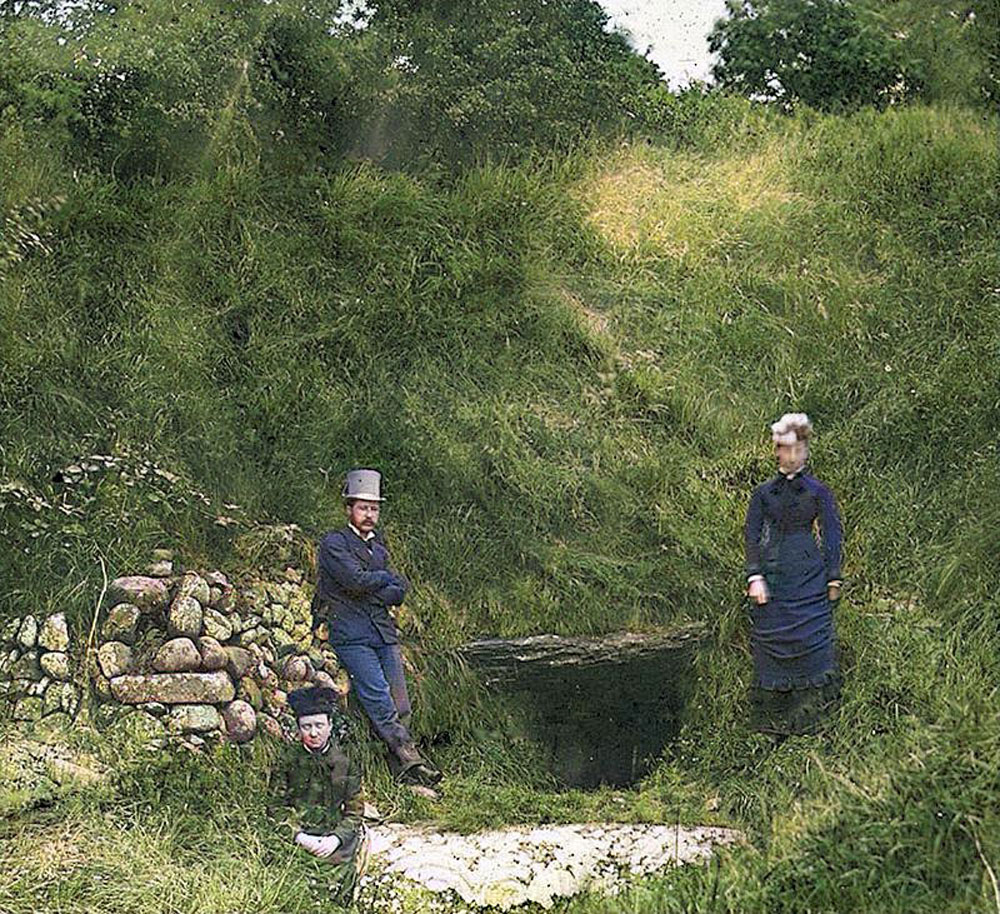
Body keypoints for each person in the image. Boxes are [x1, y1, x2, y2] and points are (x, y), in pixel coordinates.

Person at [312, 468, 442, 788]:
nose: (369, 515)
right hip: (351, 632)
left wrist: (379, 583)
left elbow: (399, 591)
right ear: (348, 509)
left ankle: (403, 773)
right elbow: (355, 582)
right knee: (379, 698)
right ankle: (412, 762)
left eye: (374, 509)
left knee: (401, 703)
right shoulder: (334, 543)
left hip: (382, 632)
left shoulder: (378, 547)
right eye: (363, 508)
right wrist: (383, 580)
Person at [744, 413, 843, 735]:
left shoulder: (818, 491)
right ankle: (773, 723)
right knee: (773, 637)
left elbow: (831, 534)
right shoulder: (763, 493)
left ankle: (813, 720)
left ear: (804, 449)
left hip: (808, 573)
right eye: (782, 449)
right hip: (774, 574)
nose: (788, 456)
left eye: (795, 448)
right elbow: (752, 535)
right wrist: (754, 575)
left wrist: (833, 576)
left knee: (811, 637)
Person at [282, 686, 367, 905]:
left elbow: (354, 813)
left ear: (330, 726)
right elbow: (276, 807)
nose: (313, 733)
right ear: (299, 729)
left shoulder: (345, 763)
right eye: (306, 726)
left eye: (319, 725)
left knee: (338, 880)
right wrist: (300, 837)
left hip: (334, 836)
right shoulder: (287, 762)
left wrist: (335, 839)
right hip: (299, 836)